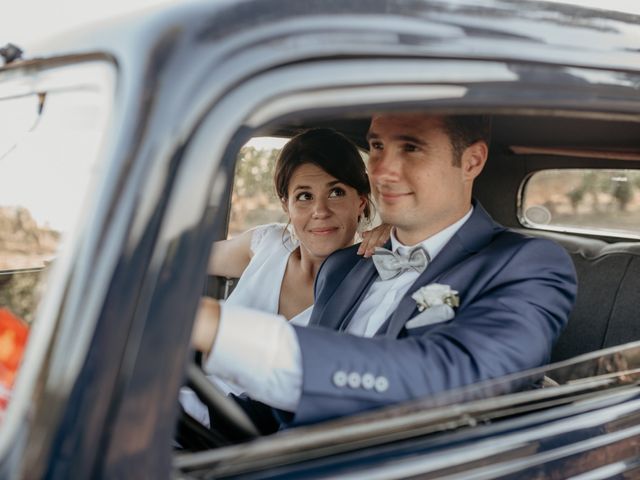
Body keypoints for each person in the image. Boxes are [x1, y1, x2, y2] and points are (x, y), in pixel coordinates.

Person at [192, 113, 577, 429]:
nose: (383, 171)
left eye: (411, 148)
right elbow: (292, 408)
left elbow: (452, 380)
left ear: (472, 161)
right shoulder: (345, 266)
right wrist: (194, 416)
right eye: (377, 147)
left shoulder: (527, 265)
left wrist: (216, 328)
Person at [181, 128, 389, 425]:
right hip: (183, 399)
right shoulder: (267, 244)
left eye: (336, 192)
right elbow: (179, 262)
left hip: (240, 434)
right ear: (285, 205)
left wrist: (399, 235)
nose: (320, 210)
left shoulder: (375, 286)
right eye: (304, 196)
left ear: (361, 201)